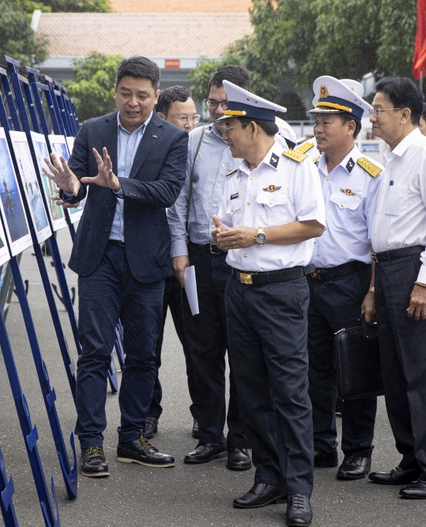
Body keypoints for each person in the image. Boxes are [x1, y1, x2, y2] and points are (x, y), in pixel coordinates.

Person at [42, 55, 187, 478]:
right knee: (94, 352)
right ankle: (90, 443)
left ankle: (131, 439)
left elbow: (166, 191)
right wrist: (70, 189)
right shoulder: (92, 130)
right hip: (100, 256)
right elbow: (77, 185)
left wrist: (120, 184)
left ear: (156, 97)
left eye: (143, 95)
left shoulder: (172, 138)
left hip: (146, 261)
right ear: (115, 91)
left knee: (144, 356)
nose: (134, 102)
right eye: (126, 93)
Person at [212, 80, 325, 527]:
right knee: (250, 388)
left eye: (230, 128)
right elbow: (221, 228)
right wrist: (222, 236)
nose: (226, 136)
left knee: (290, 392)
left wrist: (256, 236)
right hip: (238, 289)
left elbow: (314, 225)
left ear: (253, 127)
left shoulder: (298, 166)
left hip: (281, 290)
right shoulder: (234, 173)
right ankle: (270, 474)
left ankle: (299, 488)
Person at [367, 76, 426, 499]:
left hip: (412, 271)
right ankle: (412, 458)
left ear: (405, 114)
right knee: (395, 370)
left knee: (421, 371)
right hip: (387, 271)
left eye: (378, 109)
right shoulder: (391, 159)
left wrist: (425, 282)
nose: (372, 117)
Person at [167, 66, 252, 471]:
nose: (217, 110)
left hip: (242, 262)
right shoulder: (195, 142)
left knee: (242, 351)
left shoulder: (260, 140)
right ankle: (209, 435)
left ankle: (240, 439)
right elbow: (178, 199)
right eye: (212, 102)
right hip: (199, 259)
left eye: (225, 103)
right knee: (202, 348)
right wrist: (179, 252)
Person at [305, 75, 381, 480]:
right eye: (316, 121)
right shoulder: (302, 165)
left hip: (350, 282)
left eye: (326, 122)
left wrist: (371, 291)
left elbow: (376, 243)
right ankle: (320, 445)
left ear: (350, 126)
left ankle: (358, 450)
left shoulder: (370, 174)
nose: (317, 129)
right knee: (315, 368)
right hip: (307, 280)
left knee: (356, 369)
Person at [143, 85, 200, 440]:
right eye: (183, 118)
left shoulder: (202, 151)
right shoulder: (144, 151)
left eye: (195, 117)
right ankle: (148, 413)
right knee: (147, 345)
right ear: (162, 118)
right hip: (149, 262)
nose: (191, 125)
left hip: (191, 264)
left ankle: (203, 414)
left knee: (198, 343)